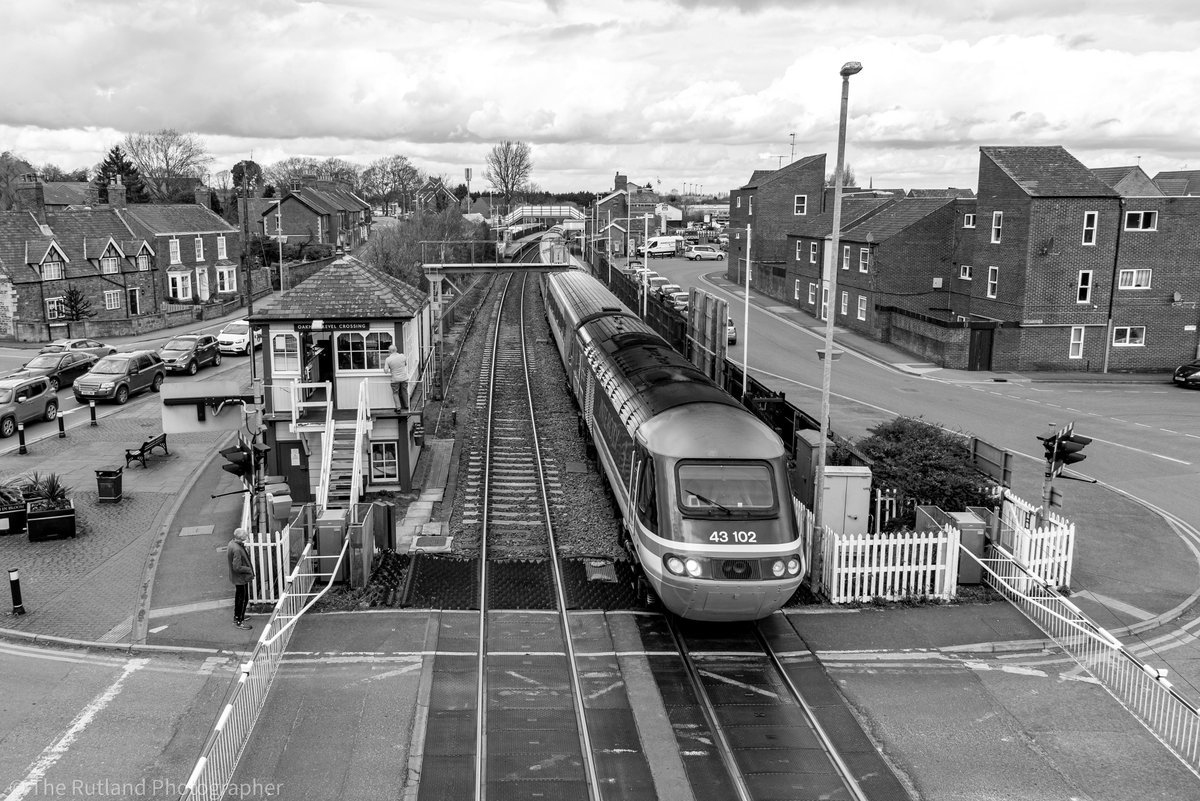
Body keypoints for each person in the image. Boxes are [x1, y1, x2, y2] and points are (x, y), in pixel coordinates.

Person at [227, 528, 255, 630]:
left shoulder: (232, 544)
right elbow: (237, 567)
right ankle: (240, 620)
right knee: (243, 599)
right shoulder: (238, 549)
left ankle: (237, 616)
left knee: (239, 597)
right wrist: (248, 569)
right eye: (245, 535)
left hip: (237, 577)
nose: (246, 536)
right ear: (241, 537)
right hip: (240, 578)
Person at [384, 344, 409, 411]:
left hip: (395, 379)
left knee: (395, 393)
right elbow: (405, 364)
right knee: (404, 391)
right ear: (396, 350)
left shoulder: (388, 359)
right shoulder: (402, 356)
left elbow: (386, 371)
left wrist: (390, 367)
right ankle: (407, 405)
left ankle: (398, 408)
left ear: (389, 351)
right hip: (404, 378)